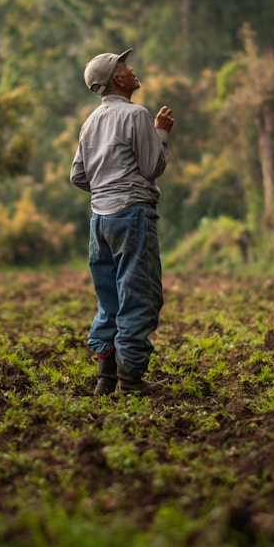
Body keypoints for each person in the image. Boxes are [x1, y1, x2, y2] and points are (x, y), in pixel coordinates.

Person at [70, 48, 174, 395]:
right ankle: (131, 380)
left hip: (99, 220)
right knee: (139, 296)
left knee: (109, 297)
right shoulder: (137, 115)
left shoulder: (90, 122)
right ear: (118, 78)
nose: (131, 70)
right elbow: (152, 167)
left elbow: (78, 175)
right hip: (132, 214)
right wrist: (161, 133)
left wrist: (104, 187)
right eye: (125, 66)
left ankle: (105, 378)